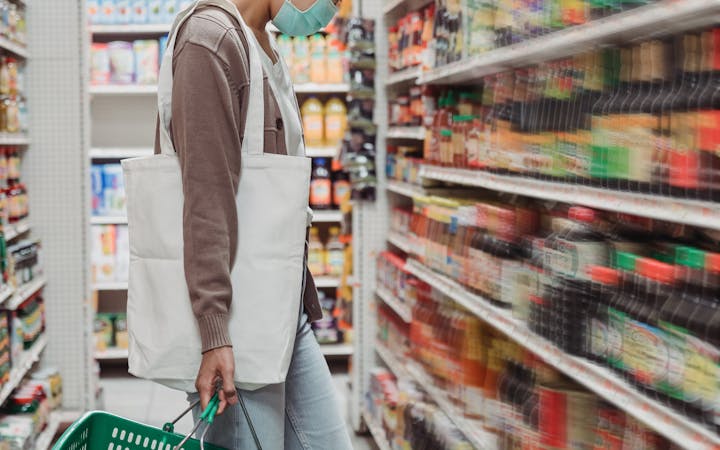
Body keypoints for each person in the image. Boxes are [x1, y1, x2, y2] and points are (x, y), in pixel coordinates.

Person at [156, 0, 354, 448]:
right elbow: (206, 196)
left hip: (280, 308)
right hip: (238, 319)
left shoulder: (258, 41)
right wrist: (214, 332)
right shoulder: (209, 39)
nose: (332, 7)